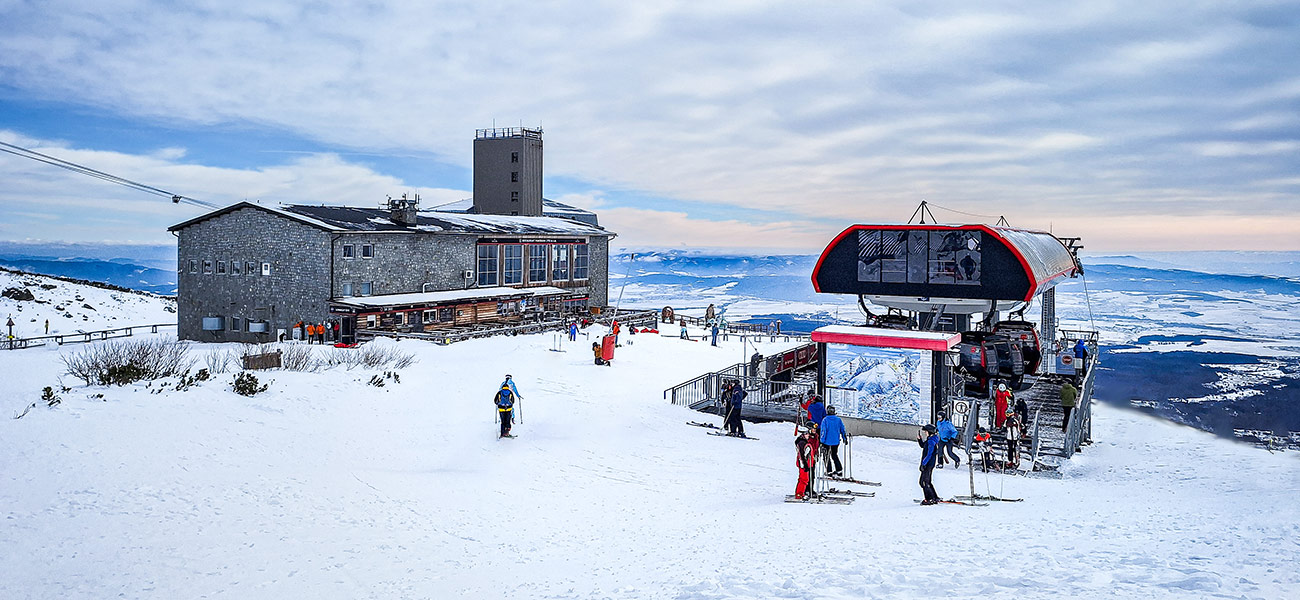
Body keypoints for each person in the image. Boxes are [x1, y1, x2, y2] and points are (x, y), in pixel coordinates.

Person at [820, 406, 847, 476]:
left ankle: (829, 471)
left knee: (826, 456)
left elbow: (823, 431)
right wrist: (844, 438)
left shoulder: (825, 420)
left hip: (826, 442)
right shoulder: (838, 420)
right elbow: (842, 429)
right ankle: (839, 469)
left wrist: (821, 441)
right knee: (834, 455)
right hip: (835, 441)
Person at [918, 424, 940, 505]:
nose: (925, 433)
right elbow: (924, 446)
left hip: (928, 464)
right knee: (927, 481)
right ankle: (934, 497)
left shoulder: (931, 441)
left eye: (926, 432)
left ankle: (929, 499)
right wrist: (920, 440)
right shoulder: (931, 439)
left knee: (924, 482)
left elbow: (929, 454)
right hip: (929, 463)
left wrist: (923, 464)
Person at [794, 427, 815, 500]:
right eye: (806, 434)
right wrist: (805, 465)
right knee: (804, 479)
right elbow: (801, 455)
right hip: (803, 464)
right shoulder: (802, 443)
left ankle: (800, 493)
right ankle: (799, 494)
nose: (808, 435)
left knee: (804, 479)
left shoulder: (804, 442)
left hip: (805, 463)